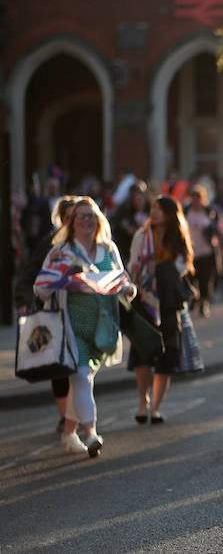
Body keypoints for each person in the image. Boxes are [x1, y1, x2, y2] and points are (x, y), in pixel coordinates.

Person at [35, 196, 137, 458]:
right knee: (81, 377)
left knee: (83, 379)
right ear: (71, 222)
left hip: (102, 327)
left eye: (91, 215)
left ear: (98, 219)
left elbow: (121, 278)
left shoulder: (108, 248)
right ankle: (91, 433)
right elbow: (41, 288)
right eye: (81, 216)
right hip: (70, 326)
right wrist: (63, 276)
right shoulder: (61, 252)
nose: (87, 220)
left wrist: (128, 289)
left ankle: (69, 434)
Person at [128, 196, 195, 424]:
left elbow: (183, 265)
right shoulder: (141, 235)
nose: (154, 212)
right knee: (143, 354)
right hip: (145, 300)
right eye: (153, 208)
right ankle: (142, 403)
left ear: (170, 213)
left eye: (160, 209)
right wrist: (138, 268)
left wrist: (163, 270)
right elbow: (131, 263)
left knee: (166, 355)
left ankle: (156, 407)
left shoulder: (177, 237)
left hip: (168, 301)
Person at [15, 196, 78, 432]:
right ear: (61, 218)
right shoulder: (50, 243)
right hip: (53, 312)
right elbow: (30, 273)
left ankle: (77, 413)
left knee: (79, 368)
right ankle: (66, 417)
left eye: (78, 216)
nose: (75, 221)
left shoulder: (87, 243)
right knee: (58, 366)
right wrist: (22, 300)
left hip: (79, 313)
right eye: (70, 217)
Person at [185, 185, 222, 318]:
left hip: (206, 251)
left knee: (205, 279)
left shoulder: (209, 212)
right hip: (190, 253)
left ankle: (204, 303)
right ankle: (194, 299)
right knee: (191, 278)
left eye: (198, 198)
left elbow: (217, 228)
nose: (195, 201)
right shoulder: (186, 211)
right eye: (193, 198)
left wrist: (213, 235)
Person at [110, 181, 150, 266]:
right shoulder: (124, 213)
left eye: (141, 198)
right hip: (128, 251)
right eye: (137, 199)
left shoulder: (150, 212)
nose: (139, 202)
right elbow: (126, 229)